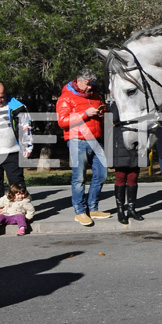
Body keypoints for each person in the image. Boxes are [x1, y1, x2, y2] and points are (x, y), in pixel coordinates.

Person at [55, 67, 110, 226]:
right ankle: (79, 211)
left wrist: (101, 113)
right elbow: (63, 121)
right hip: (77, 140)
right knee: (79, 178)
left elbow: (103, 111)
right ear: (79, 81)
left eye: (93, 83)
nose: (91, 87)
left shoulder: (95, 96)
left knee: (102, 174)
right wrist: (86, 113)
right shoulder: (66, 98)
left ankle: (93, 208)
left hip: (96, 139)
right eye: (88, 83)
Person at [109, 100, 144, 225]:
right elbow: (113, 120)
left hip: (137, 140)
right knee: (121, 176)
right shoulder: (117, 103)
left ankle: (131, 208)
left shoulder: (140, 102)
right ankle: (120, 209)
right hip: (121, 141)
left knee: (133, 176)